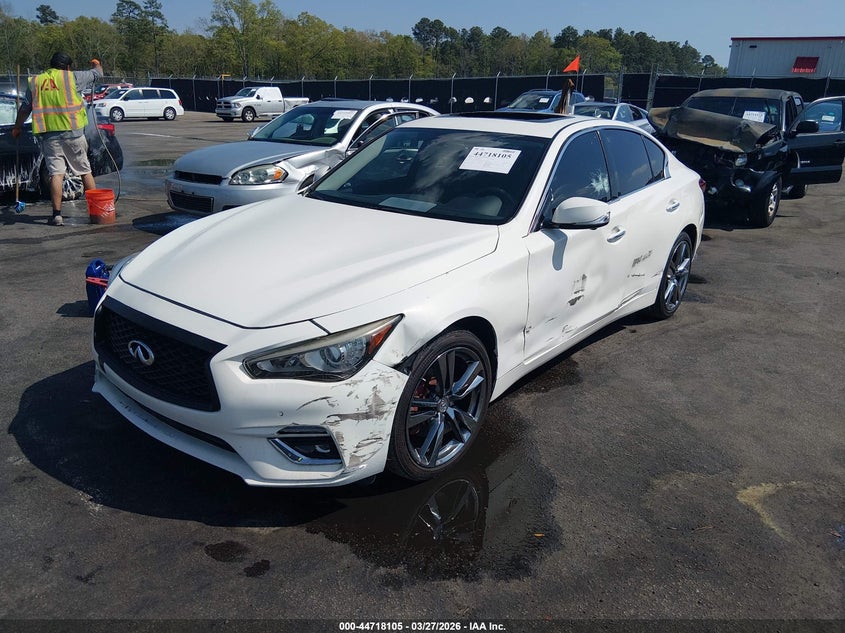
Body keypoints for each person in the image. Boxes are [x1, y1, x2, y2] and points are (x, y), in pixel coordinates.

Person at [12, 53, 103, 226]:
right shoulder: (72, 77)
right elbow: (97, 73)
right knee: (84, 171)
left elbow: (24, 109)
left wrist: (17, 127)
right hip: (73, 133)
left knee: (56, 174)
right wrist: (96, 63)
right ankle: (96, 211)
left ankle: (57, 215)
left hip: (50, 136)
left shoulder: (36, 81)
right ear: (67, 67)